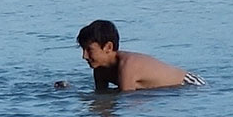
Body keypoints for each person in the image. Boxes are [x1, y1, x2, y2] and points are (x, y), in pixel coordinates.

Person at [75, 19, 204, 91]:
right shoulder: (99, 70)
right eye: (83, 50)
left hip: (189, 83)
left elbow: (125, 99)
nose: (84, 56)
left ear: (108, 47)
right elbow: (101, 95)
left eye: (89, 50)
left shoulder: (127, 66)